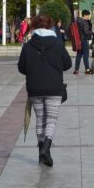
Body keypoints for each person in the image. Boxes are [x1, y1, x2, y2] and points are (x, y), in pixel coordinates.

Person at [17, 14, 71, 167]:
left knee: (40, 120)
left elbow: (21, 67)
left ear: (34, 26)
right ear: (50, 26)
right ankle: (46, 147)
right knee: (51, 120)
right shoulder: (57, 43)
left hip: (35, 88)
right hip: (54, 87)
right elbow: (67, 64)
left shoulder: (28, 45)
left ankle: (42, 152)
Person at [72, 10, 93, 75]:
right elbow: (86, 32)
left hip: (79, 40)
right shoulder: (84, 22)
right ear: (85, 15)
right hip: (84, 40)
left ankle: (76, 70)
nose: (88, 17)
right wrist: (92, 31)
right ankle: (87, 69)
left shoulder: (78, 21)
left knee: (79, 55)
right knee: (85, 55)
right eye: (88, 15)